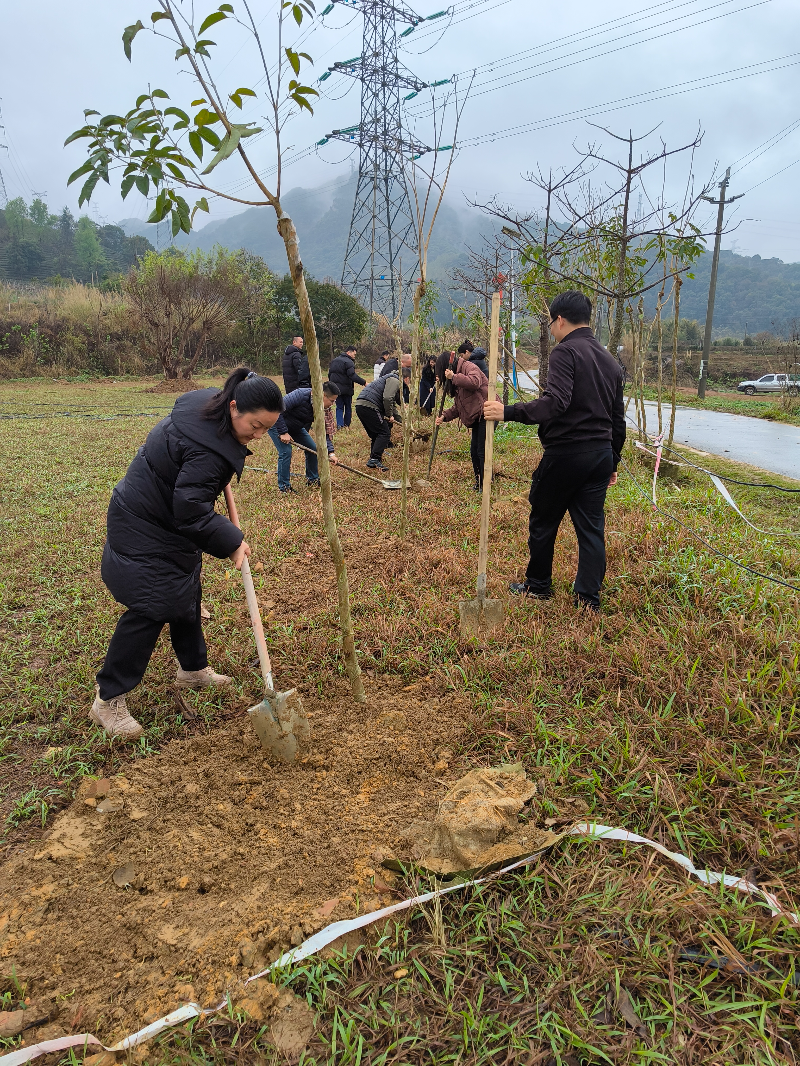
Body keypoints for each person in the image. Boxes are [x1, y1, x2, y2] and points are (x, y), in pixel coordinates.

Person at [92, 368, 284, 740]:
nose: (259, 436)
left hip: (160, 516)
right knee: (151, 605)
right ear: (233, 407)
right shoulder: (209, 454)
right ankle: (108, 698)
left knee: (185, 591)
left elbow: (189, 492)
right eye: (256, 426)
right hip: (146, 523)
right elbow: (191, 510)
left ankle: (192, 670)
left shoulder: (208, 408)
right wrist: (230, 541)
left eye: (266, 429)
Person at [483, 290, 625, 612]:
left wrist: (507, 411)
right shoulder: (610, 362)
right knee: (591, 528)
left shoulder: (566, 352)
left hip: (566, 455)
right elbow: (618, 419)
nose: (550, 329)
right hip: (600, 455)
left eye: (550, 322)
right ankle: (588, 598)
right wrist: (612, 459)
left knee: (544, 519)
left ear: (559, 320)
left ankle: (538, 586)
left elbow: (555, 403)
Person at [268, 381, 340, 493]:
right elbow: (278, 410)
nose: (332, 404)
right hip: (277, 423)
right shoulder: (301, 395)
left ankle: (312, 479)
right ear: (323, 395)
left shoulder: (323, 410)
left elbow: (324, 432)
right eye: (332, 400)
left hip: (296, 427)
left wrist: (331, 453)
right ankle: (284, 487)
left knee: (312, 449)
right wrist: (283, 432)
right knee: (286, 451)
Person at [435, 350, 489, 491]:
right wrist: (444, 416)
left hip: (487, 412)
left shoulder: (468, 367)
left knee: (481, 450)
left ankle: (485, 483)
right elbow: (459, 406)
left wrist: (454, 377)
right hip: (476, 415)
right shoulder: (456, 378)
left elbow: (475, 382)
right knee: (474, 450)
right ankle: (479, 481)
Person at [355, 366, 403, 470]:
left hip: (360, 404)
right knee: (384, 433)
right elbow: (387, 398)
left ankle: (374, 460)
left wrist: (401, 421)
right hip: (370, 406)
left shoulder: (386, 378)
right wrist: (390, 415)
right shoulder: (395, 380)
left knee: (376, 435)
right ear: (407, 378)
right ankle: (374, 459)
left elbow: (391, 403)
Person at [328, 346, 366, 429]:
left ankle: (339, 425)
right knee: (348, 407)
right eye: (354, 354)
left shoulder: (334, 361)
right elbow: (352, 375)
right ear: (349, 352)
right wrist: (363, 382)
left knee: (339, 407)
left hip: (336, 389)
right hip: (346, 389)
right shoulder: (349, 362)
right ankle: (346, 425)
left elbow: (329, 374)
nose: (354, 356)